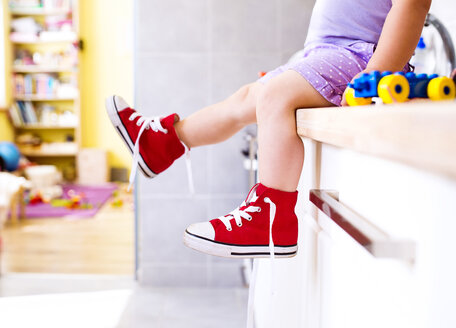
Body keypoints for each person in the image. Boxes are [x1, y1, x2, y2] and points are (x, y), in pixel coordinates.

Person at [106, 0, 431, 259]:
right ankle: (161, 143)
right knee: (249, 97)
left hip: (358, 57)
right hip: (325, 54)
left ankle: (271, 217)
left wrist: (373, 76)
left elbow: (412, 5)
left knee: (273, 95)